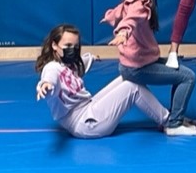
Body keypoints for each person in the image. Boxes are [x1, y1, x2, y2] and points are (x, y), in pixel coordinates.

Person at [101, 0, 196, 136]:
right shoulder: (139, 2)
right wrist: (122, 32)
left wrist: (110, 16)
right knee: (188, 77)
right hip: (136, 68)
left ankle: (175, 117)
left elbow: (121, 10)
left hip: (139, 61)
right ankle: (174, 125)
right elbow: (131, 19)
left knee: (178, 70)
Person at [35, 23, 173, 139]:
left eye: (75, 46)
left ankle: (163, 117)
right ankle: (170, 122)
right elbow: (51, 79)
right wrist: (46, 85)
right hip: (86, 124)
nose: (72, 50)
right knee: (132, 87)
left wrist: (92, 57)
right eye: (68, 45)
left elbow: (80, 65)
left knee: (128, 76)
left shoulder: (67, 65)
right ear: (54, 45)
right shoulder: (52, 67)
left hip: (88, 108)